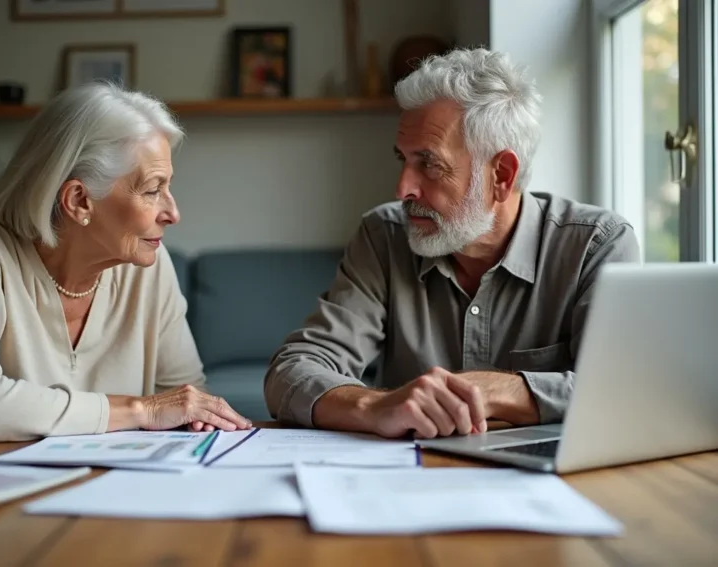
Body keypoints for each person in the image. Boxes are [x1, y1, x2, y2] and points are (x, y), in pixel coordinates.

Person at [264, 48, 640, 439]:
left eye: (429, 164)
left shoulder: (597, 246)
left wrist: (496, 389)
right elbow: (292, 370)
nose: (403, 188)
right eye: (403, 160)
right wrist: (374, 406)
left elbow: (625, 390)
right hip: (414, 478)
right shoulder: (384, 236)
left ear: (502, 175)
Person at [0, 83, 251, 445]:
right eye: (153, 190)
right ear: (79, 200)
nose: (173, 213)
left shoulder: (149, 268)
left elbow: (188, 403)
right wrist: (140, 411)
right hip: (3, 493)